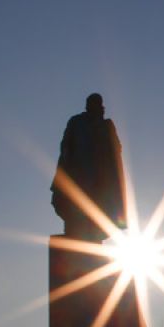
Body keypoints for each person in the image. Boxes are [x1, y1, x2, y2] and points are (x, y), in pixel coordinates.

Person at [50, 93, 127, 240]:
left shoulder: (106, 126)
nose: (95, 106)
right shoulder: (76, 121)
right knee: (74, 206)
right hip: (78, 172)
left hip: (99, 177)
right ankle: (75, 229)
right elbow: (65, 144)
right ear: (87, 105)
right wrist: (66, 163)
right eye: (91, 103)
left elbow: (116, 150)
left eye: (97, 103)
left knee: (96, 207)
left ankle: (91, 232)